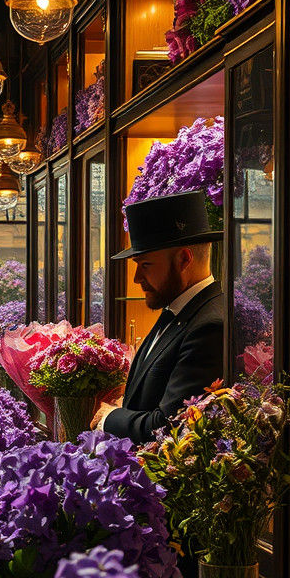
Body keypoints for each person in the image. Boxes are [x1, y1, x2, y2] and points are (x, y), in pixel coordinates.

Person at [92, 189, 224, 444]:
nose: (136, 278)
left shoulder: (209, 326)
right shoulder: (178, 310)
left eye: (146, 265)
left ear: (183, 259)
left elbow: (172, 425)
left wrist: (110, 418)